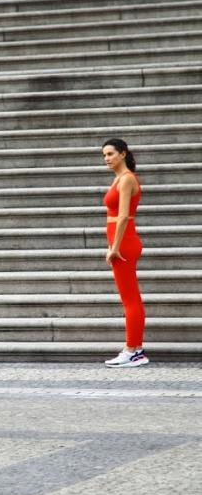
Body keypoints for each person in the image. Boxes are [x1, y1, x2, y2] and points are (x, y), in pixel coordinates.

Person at [101, 138, 148, 368]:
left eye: (110, 154)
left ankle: (133, 350)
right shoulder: (120, 178)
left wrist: (115, 248)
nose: (106, 159)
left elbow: (122, 217)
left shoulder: (127, 178)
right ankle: (135, 348)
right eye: (104, 155)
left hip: (125, 244)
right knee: (130, 298)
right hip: (121, 243)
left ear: (123, 153)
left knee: (130, 300)